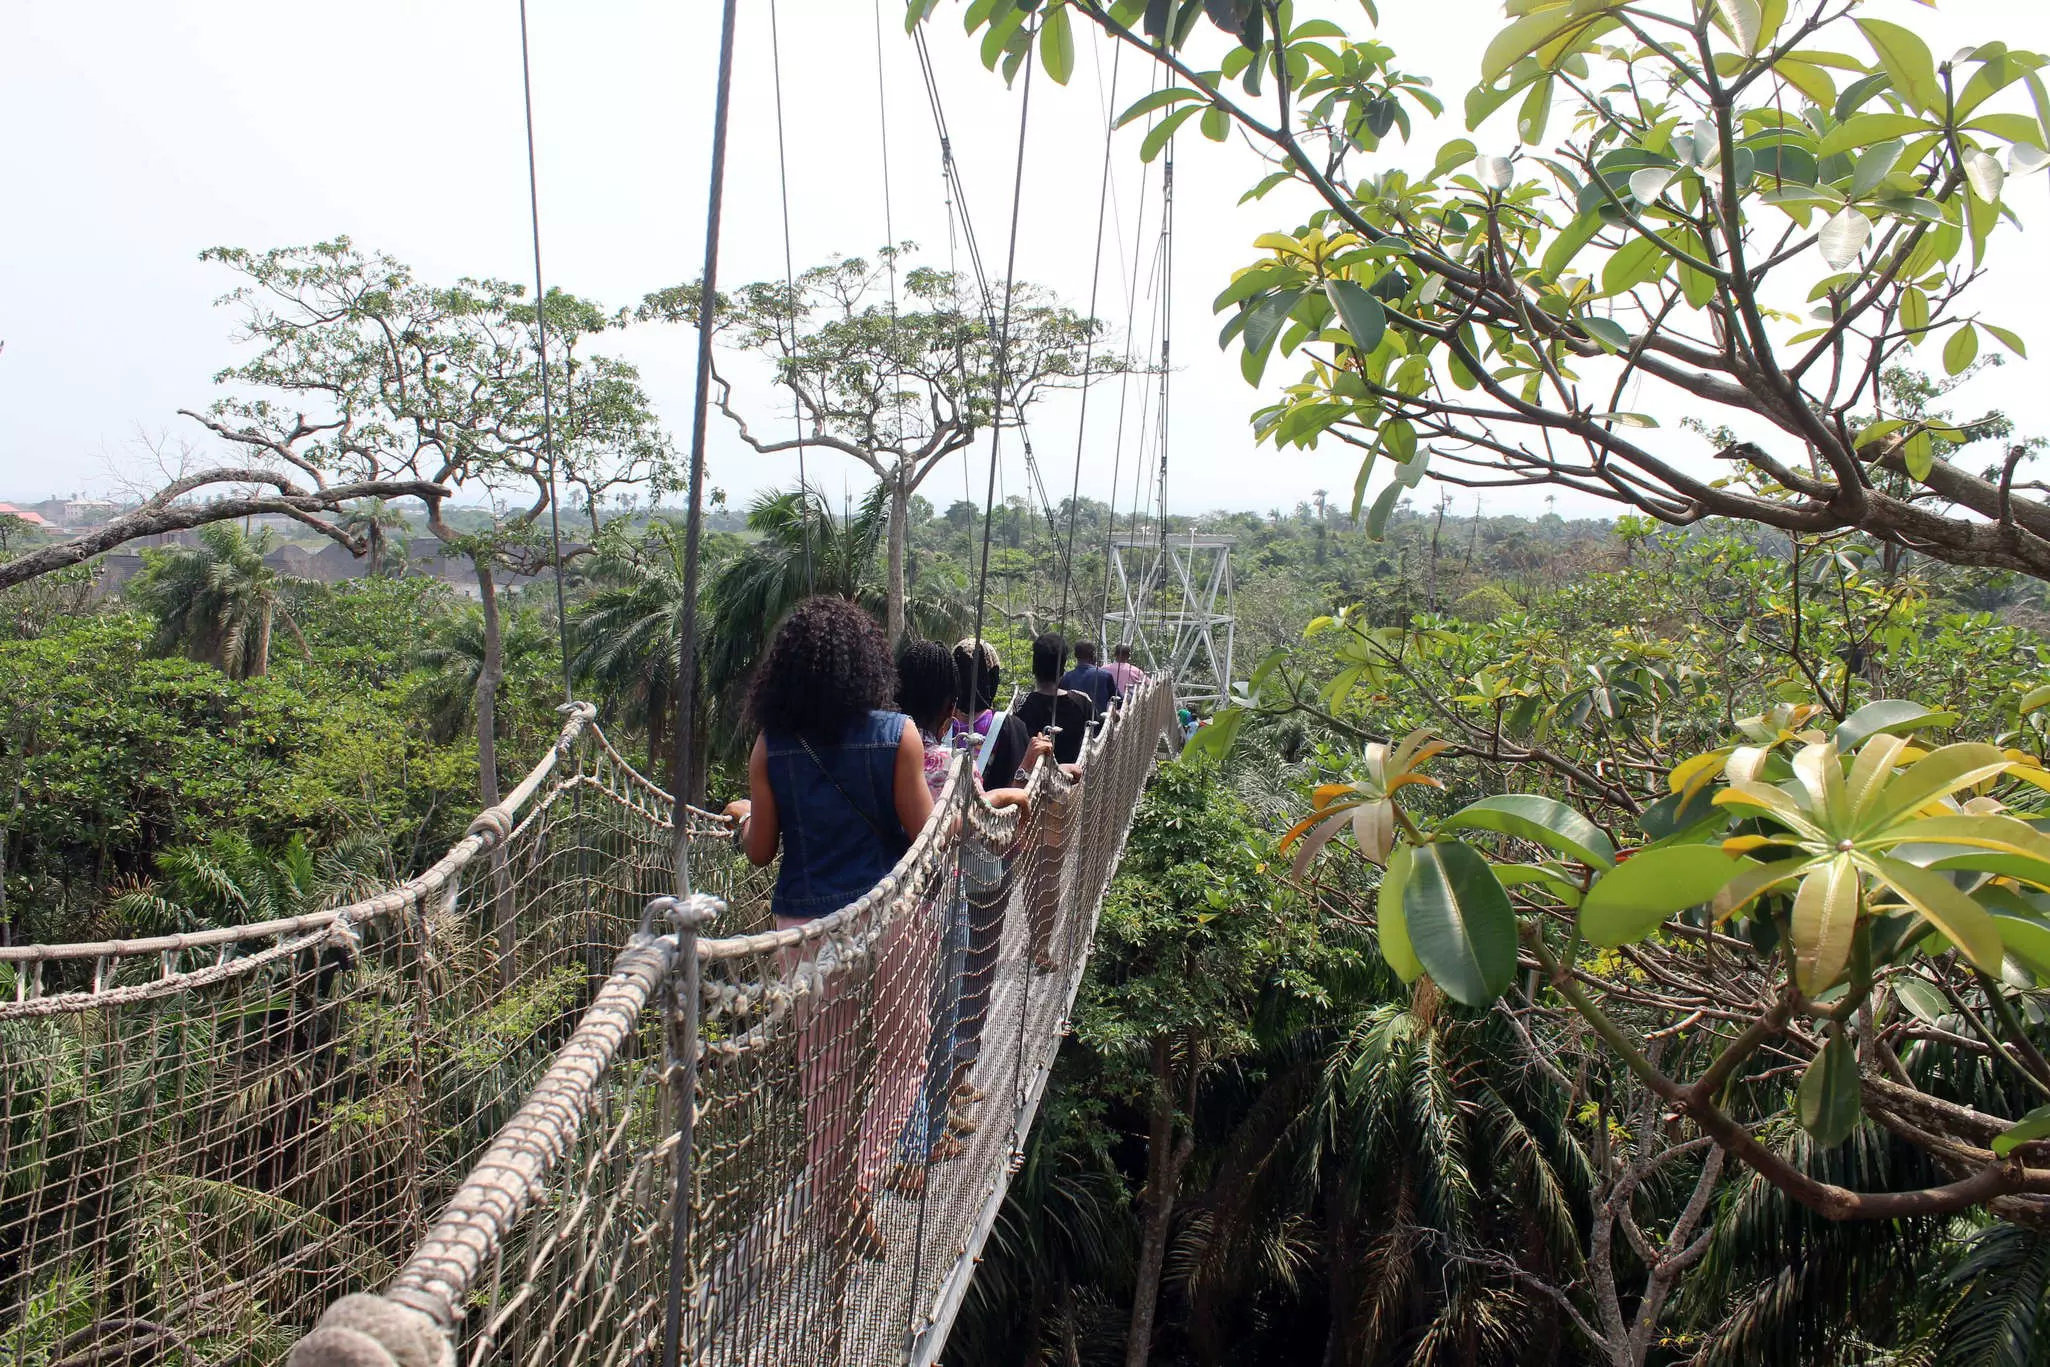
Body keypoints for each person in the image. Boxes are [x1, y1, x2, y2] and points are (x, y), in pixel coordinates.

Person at [721, 596, 934, 1259]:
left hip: (805, 930)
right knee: (905, 1056)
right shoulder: (898, 734)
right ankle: (858, 1186)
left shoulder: (770, 746)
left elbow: (761, 849)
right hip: (887, 919)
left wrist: (743, 812)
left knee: (826, 1076)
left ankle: (832, 1201)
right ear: (865, 663)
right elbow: (923, 834)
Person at [891, 640, 1034, 1192]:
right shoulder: (942, 760)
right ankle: (919, 1144)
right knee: (939, 1021)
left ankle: (912, 1137)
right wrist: (1017, 794)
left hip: (883, 911)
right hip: (941, 903)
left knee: (896, 1038)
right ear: (949, 707)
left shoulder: (884, 745)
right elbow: (972, 812)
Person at [1017, 632, 1097, 766]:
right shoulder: (1082, 701)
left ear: (1034, 667)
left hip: (1034, 783)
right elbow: (1100, 732)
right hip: (1075, 780)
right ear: (1062, 668)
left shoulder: (1022, 703)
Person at [1059, 639, 1116, 716]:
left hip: (1072, 725)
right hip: (1100, 726)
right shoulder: (1105, 676)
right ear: (1093, 654)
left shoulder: (1065, 678)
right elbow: (1118, 701)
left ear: (1075, 655)